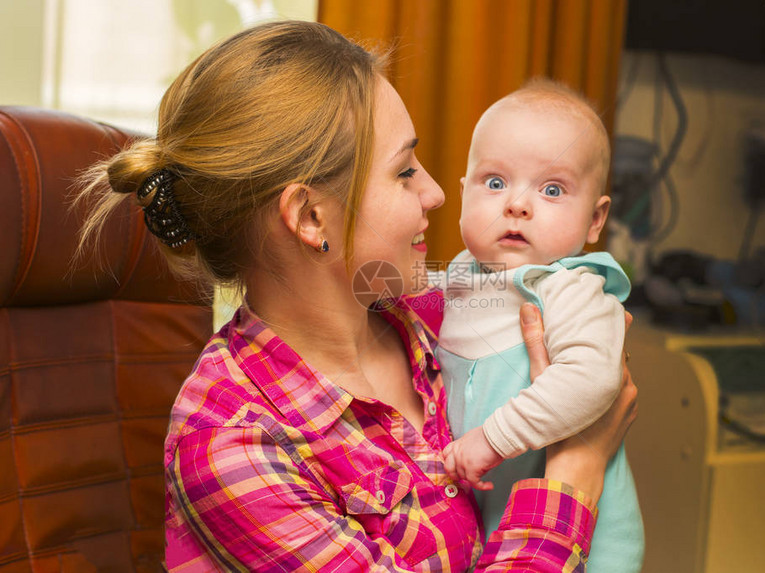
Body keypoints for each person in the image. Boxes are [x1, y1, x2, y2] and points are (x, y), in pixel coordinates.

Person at [74, 21, 637, 571]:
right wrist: (576, 470)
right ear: (311, 216)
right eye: (404, 172)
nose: (437, 193)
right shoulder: (231, 448)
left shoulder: (429, 312)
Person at [438, 80, 645, 572]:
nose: (517, 205)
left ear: (595, 220)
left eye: (552, 189)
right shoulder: (457, 278)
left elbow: (593, 378)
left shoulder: (570, 287)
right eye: (494, 182)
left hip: (582, 540)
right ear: (464, 194)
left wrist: (491, 439)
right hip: (493, 527)